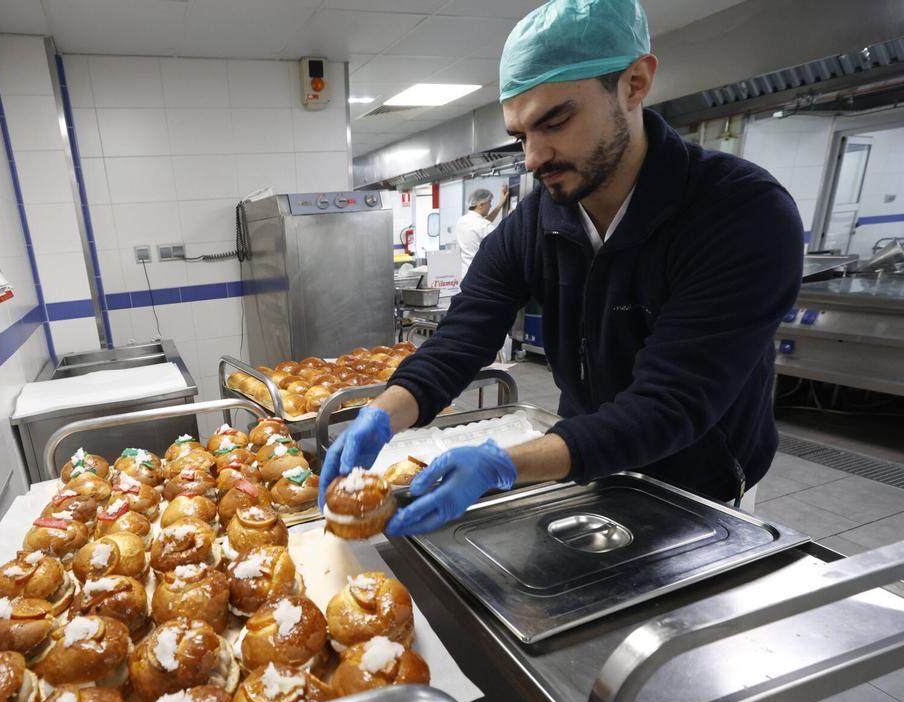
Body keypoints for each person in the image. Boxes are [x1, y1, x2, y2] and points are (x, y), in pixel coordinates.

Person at [319, 0, 801, 536]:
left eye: (555, 122)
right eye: (521, 136)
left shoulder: (740, 213)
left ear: (635, 84)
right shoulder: (537, 222)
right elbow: (463, 336)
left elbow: (672, 405)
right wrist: (384, 413)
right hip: (583, 462)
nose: (533, 157)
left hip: (697, 484)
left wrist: (504, 464)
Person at [455, 187, 508, 277]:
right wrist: (511, 218)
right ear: (481, 204)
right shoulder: (484, 225)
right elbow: (502, 243)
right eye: (489, 202)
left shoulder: (461, 221)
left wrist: (499, 205)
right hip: (481, 275)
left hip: (465, 274)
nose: (490, 206)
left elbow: (482, 223)